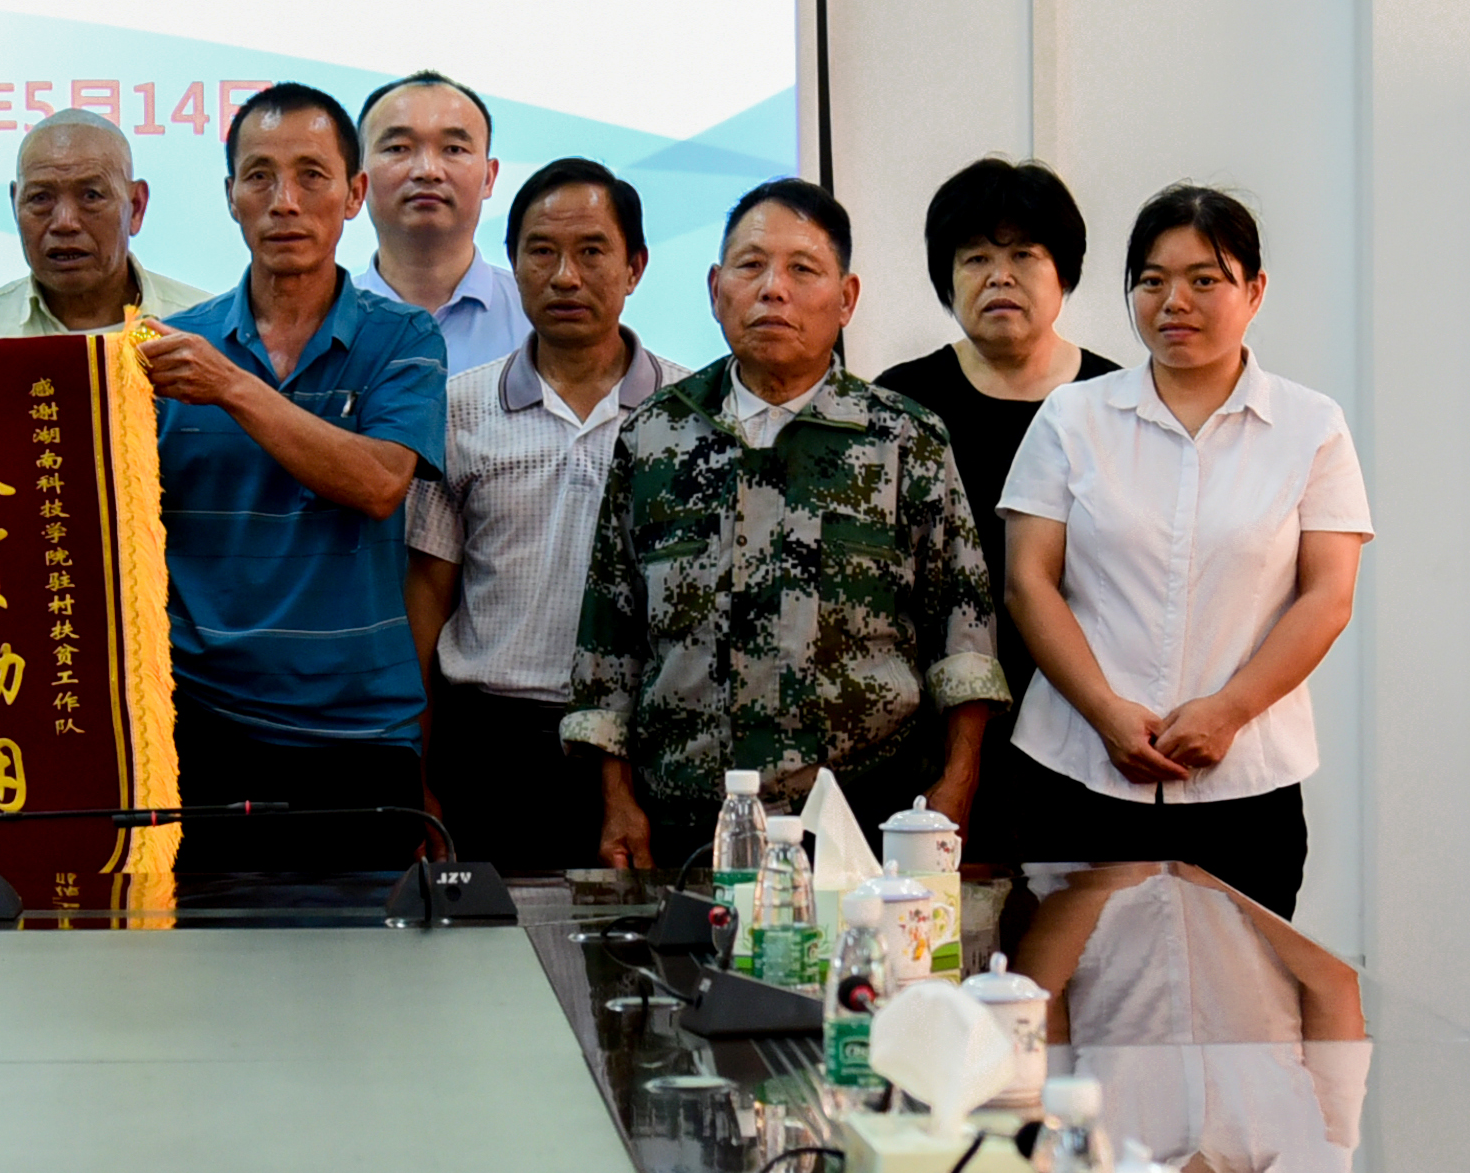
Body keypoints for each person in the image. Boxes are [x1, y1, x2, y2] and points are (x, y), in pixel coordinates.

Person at [566, 177, 1008, 874]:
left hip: (865, 820)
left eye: (803, 269)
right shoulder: (654, 436)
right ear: (716, 289)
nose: (773, 289)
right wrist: (616, 799)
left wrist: (959, 782)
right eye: (751, 265)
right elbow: (609, 642)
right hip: (688, 823)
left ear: (847, 298)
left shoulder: (904, 438)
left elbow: (963, 633)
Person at [996, 186, 1371, 918]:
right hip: (1079, 770)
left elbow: (1329, 595)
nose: (1175, 302)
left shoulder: (1311, 426)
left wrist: (1229, 711)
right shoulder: (1073, 415)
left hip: (1246, 784)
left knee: (1243, 984)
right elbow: (1027, 581)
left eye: (1204, 279)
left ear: (1255, 290)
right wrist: (1105, 711)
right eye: (1152, 280)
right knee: (1082, 983)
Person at [139, 83, 447, 875]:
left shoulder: (403, 338)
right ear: (230, 196)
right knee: (198, 951)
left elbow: (380, 482)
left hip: (358, 735)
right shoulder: (171, 350)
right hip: (200, 728)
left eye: (312, 175)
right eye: (259, 176)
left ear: (354, 194)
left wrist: (233, 387)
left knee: (361, 953)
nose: (285, 201)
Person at [404, 161, 679, 871]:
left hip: (646, 748)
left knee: (637, 938)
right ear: (514, 262)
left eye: (591, 251)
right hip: (491, 745)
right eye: (541, 252)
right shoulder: (460, 408)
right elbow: (427, 598)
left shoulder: (686, 413)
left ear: (635, 266)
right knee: (489, 939)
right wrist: (417, 769)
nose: (565, 276)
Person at [872, 158, 1124, 873]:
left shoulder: (1116, 400)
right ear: (946, 277)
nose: (999, 277)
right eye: (976, 257)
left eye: (1024, 256)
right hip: (932, 729)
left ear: (1064, 274)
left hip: (1086, 721)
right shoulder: (900, 402)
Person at [0, 110, 212, 339]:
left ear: (136, 207)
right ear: (15, 205)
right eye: (40, 198)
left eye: (91, 196)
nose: (65, 223)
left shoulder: (205, 332)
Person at [352, 70, 525, 377]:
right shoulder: (320, 323)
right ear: (357, 179)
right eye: (398, 148)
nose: (427, 171)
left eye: (454, 149)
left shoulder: (538, 319)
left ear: (489, 177)